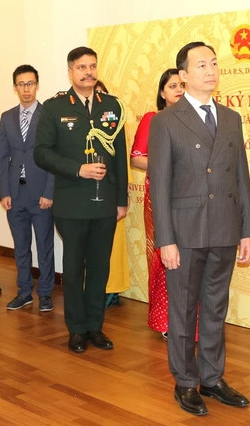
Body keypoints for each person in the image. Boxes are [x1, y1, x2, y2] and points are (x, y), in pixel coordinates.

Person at [149, 41, 250, 416]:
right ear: (183, 75)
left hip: (225, 229)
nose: (210, 70)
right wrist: (166, 240)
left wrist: (247, 230)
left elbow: (242, 178)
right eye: (201, 65)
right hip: (185, 232)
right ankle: (185, 382)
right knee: (183, 310)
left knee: (215, 307)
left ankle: (212, 379)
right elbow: (159, 185)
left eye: (214, 63)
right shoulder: (166, 121)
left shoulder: (231, 118)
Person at [34, 46, 128, 354]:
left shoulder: (111, 106)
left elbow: (120, 157)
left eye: (92, 66)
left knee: (99, 268)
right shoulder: (54, 107)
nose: (88, 72)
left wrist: (121, 197)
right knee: (73, 269)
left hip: (105, 204)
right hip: (72, 203)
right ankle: (75, 329)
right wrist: (78, 169)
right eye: (81, 67)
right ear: (70, 72)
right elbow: (42, 153)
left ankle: (94, 327)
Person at [130, 69, 184, 338]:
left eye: (181, 85)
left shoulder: (192, 120)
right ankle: (164, 321)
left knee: (190, 258)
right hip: (161, 197)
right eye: (172, 85)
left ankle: (189, 320)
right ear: (162, 93)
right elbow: (137, 158)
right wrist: (169, 166)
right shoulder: (153, 119)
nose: (178, 89)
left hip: (191, 200)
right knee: (164, 255)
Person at [0, 65, 55, 312]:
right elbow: (1, 156)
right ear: (15, 87)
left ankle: (45, 293)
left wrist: (49, 192)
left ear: (37, 85)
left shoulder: (49, 115)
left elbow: (54, 156)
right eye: (21, 84)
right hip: (15, 194)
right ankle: (24, 292)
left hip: (41, 193)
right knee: (20, 246)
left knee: (44, 246)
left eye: (30, 83)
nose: (26, 89)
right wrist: (4, 191)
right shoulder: (7, 117)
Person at [95, 79, 129, 309]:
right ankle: (96, 288)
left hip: (112, 192)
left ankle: (112, 290)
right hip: (88, 195)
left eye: (101, 93)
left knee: (114, 247)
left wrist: (122, 193)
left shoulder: (115, 119)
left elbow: (121, 159)